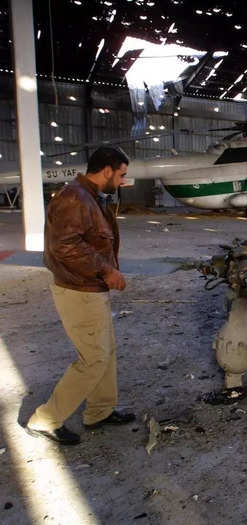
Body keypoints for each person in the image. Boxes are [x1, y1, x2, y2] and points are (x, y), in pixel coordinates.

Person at [25, 147, 135, 445]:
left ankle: (99, 411)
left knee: (106, 351)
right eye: (122, 174)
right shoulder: (75, 198)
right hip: (78, 290)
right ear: (107, 170)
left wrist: (104, 272)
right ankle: (45, 419)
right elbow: (66, 246)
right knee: (94, 358)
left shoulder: (90, 197)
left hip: (89, 287)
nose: (124, 180)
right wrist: (106, 270)